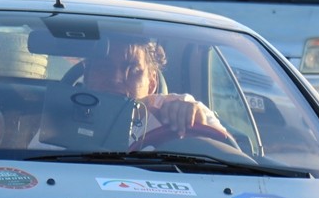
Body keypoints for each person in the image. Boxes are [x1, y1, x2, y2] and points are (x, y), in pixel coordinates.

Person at [79, 38, 233, 144]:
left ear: (152, 83)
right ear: (86, 76)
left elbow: (230, 155)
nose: (116, 79)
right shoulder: (59, 116)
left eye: (133, 70)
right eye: (104, 67)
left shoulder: (183, 107)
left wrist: (199, 127)